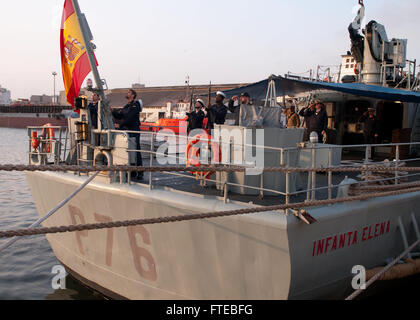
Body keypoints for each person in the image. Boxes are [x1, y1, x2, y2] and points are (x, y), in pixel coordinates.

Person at [112, 89, 143, 179]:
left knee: (136, 150)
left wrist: (120, 125)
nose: (127, 93)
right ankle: (132, 170)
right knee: (128, 150)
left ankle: (140, 171)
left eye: (129, 92)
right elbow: (120, 114)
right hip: (128, 131)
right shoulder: (127, 106)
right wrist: (113, 111)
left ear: (133, 95)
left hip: (134, 130)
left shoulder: (135, 105)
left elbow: (130, 118)